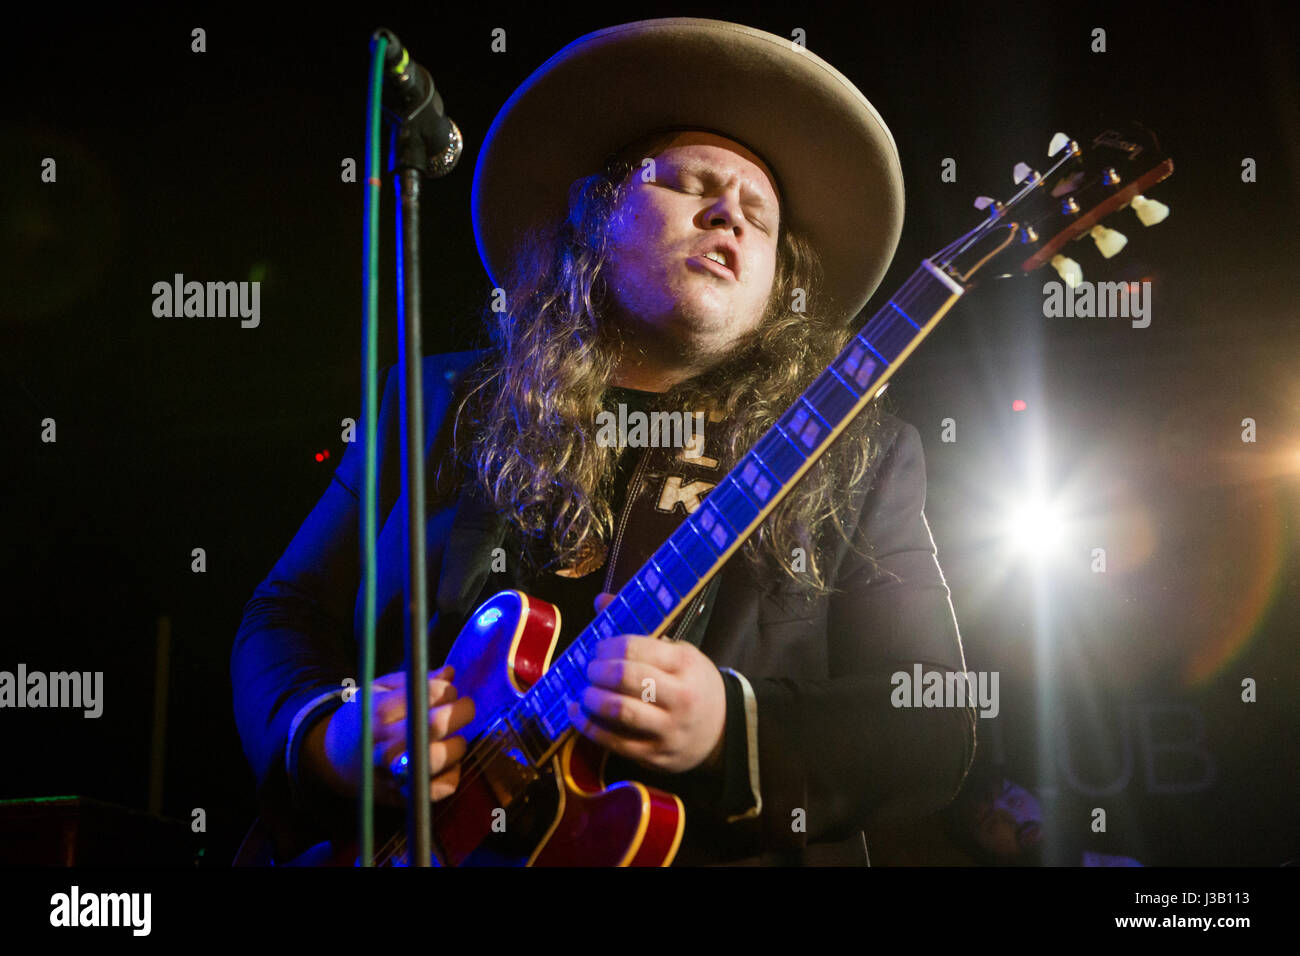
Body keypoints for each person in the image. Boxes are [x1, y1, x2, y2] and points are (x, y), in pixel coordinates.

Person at [232, 17, 975, 866]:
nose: (728, 214)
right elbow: (284, 611)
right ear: (594, 208)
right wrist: (324, 736)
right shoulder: (441, 399)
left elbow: (933, 722)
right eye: (691, 183)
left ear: (780, 286)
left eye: (759, 218)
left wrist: (734, 729)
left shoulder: (858, 452)